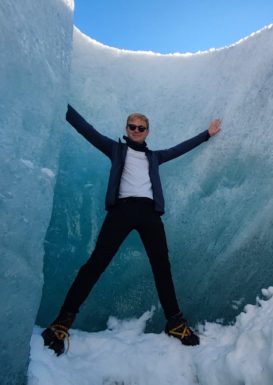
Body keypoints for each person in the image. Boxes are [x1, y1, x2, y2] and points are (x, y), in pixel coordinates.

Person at [41, 105, 222, 356]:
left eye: (141, 127)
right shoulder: (116, 149)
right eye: (132, 127)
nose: (136, 130)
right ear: (126, 129)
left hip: (149, 214)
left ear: (147, 131)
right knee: (96, 263)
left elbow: (179, 149)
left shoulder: (155, 157)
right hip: (121, 212)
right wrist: (61, 102)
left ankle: (175, 323)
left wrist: (207, 134)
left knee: (162, 267)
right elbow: (87, 130)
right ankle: (62, 322)